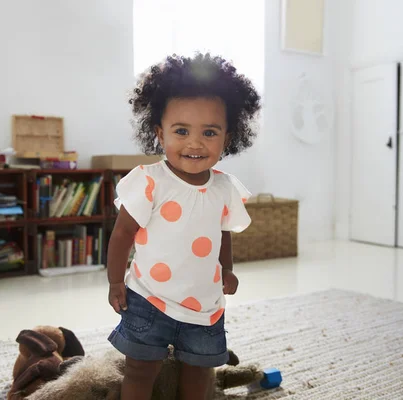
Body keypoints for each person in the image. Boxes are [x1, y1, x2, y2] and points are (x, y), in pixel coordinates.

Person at [107, 52, 261, 400]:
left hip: (204, 305)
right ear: (160, 134)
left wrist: (228, 268)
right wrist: (116, 280)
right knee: (139, 370)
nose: (195, 142)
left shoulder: (224, 188)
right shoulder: (149, 181)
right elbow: (122, 234)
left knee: (199, 374)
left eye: (209, 132)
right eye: (181, 130)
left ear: (227, 137)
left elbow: (221, 232)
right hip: (147, 299)